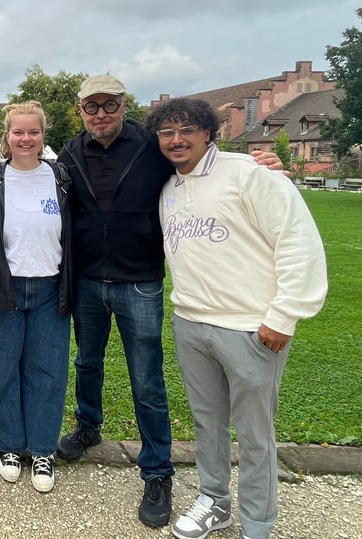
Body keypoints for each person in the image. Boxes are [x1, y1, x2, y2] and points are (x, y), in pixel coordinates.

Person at [55, 73, 285, 528]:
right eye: (92, 106)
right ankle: (88, 425)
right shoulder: (69, 151)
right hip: (86, 279)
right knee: (87, 362)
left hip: (139, 279)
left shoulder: (151, 146)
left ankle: (157, 471)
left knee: (146, 380)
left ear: (124, 106)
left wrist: (264, 163)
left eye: (110, 104)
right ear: (81, 110)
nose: (101, 113)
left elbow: (203, 164)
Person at [147, 97, 327, 539]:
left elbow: (297, 242)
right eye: (167, 132)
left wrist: (283, 317)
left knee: (254, 434)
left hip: (251, 327)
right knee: (207, 423)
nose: (176, 140)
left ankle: (257, 523)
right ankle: (215, 501)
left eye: (187, 130)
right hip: (191, 322)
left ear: (208, 133)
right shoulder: (169, 189)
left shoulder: (250, 174)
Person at [0, 101, 73, 493]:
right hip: (2, 286)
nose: (26, 138)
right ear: (7, 136)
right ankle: (9, 445)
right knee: (1, 370)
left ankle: (43, 449)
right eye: (18, 132)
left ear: (42, 135)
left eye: (33, 132)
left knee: (47, 371)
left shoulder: (62, 177)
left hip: (50, 286)